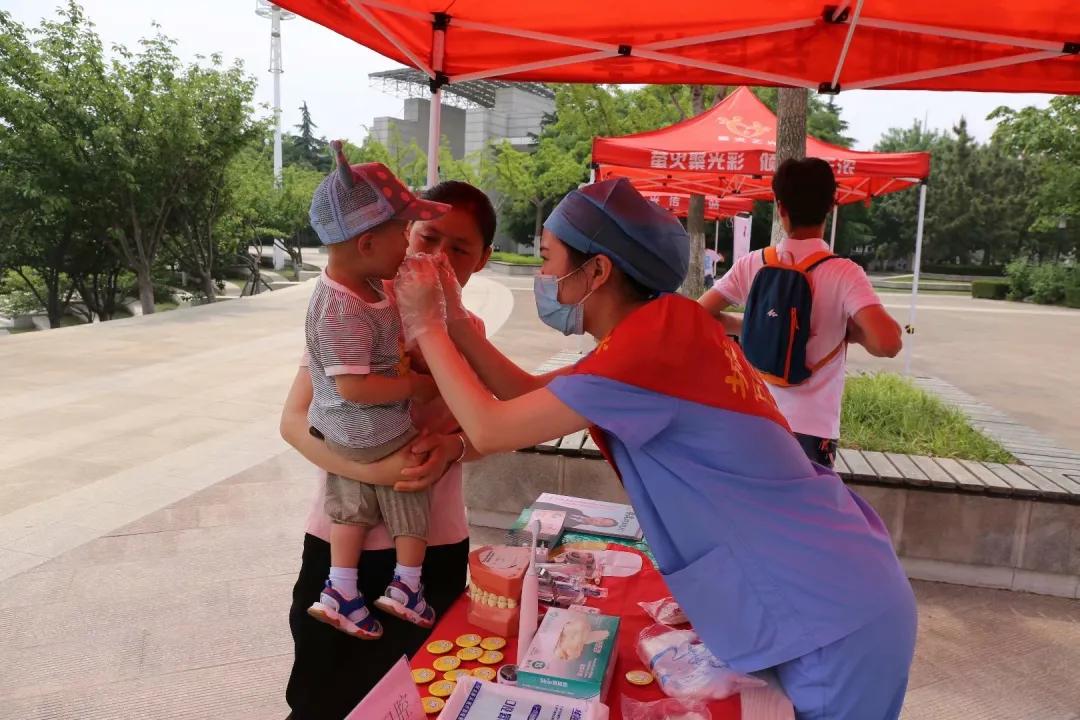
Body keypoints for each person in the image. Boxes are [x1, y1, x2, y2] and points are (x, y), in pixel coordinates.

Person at [395, 178, 917, 720]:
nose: (542, 277)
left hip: (832, 615)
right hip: (828, 586)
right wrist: (454, 318)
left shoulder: (646, 349)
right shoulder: (663, 327)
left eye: (548, 259)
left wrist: (428, 325)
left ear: (597, 271)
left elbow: (491, 428)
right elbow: (529, 396)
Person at [283, 180, 496, 719]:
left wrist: (452, 447)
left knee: (420, 696)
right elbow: (293, 422)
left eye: (460, 248)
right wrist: (378, 471)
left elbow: (492, 431)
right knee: (321, 698)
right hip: (340, 551)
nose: (438, 257)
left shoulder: (471, 333)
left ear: (483, 260)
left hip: (433, 548)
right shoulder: (354, 311)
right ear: (404, 235)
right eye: (428, 238)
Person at [303, 143, 451, 639]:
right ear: (366, 244)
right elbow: (354, 386)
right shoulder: (342, 306)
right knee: (411, 480)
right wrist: (413, 384)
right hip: (370, 426)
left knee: (350, 504)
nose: (409, 248)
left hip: (340, 434)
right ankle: (408, 583)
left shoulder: (365, 285)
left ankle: (341, 587)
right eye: (403, 235)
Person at [699, 159, 902, 467]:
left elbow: (700, 314)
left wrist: (749, 325)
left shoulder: (752, 264)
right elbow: (888, 344)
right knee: (802, 514)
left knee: (751, 509)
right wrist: (852, 334)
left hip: (753, 416)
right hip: (812, 429)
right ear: (831, 206)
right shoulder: (844, 273)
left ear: (781, 208)